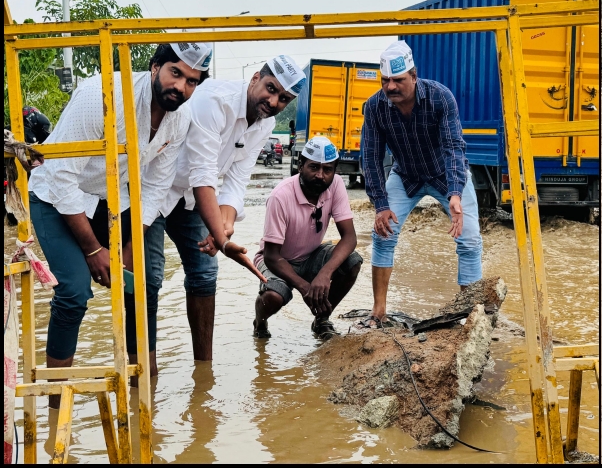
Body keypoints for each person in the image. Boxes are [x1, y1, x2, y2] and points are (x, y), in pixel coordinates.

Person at [27, 42, 210, 438]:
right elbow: (60, 177)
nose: (182, 87)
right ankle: (57, 405)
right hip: (56, 195)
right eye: (175, 73)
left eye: (192, 81)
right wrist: (94, 250)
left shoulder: (180, 119)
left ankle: (143, 381)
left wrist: (128, 247)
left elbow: (155, 188)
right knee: (75, 291)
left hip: (114, 199)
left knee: (140, 282)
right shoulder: (101, 95)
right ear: (155, 66)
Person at [147, 54, 305, 363]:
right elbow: (204, 173)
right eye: (271, 89)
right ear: (256, 78)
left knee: (205, 274)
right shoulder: (214, 99)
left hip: (193, 200)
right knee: (150, 278)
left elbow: (236, 179)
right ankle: (146, 368)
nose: (273, 102)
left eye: (283, 99)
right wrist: (221, 237)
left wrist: (226, 226)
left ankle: (203, 370)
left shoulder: (265, 123)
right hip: (155, 188)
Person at [360, 41, 482, 328]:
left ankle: (470, 314)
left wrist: (454, 192)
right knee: (383, 233)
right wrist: (381, 206)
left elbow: (454, 146)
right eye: (385, 81)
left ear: (414, 77)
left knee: (470, 239)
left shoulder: (440, 98)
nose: (391, 87)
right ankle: (378, 312)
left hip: (446, 174)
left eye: (398, 80)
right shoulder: (376, 107)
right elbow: (371, 158)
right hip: (406, 176)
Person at [252, 136, 361, 340]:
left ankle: (321, 320)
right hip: (278, 261)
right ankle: (259, 322)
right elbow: (271, 256)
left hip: (310, 255)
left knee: (352, 261)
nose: (320, 175)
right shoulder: (280, 196)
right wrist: (305, 287)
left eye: (327, 170)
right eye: (314, 167)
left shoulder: (335, 185)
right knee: (274, 297)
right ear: (301, 165)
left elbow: (350, 238)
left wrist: (324, 274)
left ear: (335, 171)